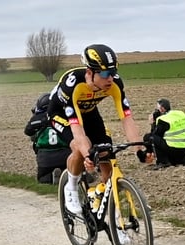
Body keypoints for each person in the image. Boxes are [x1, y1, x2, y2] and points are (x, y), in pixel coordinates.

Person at [49, 43, 153, 215]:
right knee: (81, 146)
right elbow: (77, 129)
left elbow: (127, 119)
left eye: (113, 72)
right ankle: (72, 186)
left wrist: (139, 150)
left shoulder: (115, 84)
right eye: (105, 73)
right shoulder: (73, 85)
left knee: (107, 160)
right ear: (90, 73)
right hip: (61, 114)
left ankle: (109, 213)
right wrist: (87, 154)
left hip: (89, 113)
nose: (110, 78)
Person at [24, 92, 71, 185]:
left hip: (45, 157)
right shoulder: (64, 116)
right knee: (73, 170)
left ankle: (50, 177)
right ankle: (67, 174)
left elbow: (28, 132)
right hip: (66, 155)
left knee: (42, 178)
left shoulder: (37, 118)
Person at [144, 98, 185, 169]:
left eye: (157, 109)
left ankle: (163, 162)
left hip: (173, 148)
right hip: (184, 148)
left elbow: (155, 134)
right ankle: (184, 159)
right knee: (167, 144)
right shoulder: (180, 114)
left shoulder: (163, 120)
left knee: (149, 137)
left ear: (162, 109)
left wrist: (153, 124)